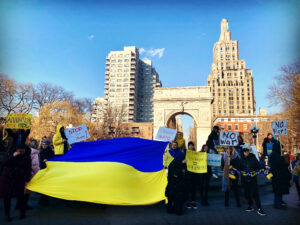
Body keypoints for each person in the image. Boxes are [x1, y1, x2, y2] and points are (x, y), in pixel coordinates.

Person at [0, 143, 32, 222]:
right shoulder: (10, 154)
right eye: (19, 150)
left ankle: (22, 212)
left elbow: (28, 169)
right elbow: (4, 163)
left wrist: (27, 180)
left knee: (20, 196)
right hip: (8, 178)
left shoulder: (26, 156)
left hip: (19, 178)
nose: (21, 152)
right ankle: (7, 214)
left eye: (22, 151)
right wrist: (13, 156)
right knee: (7, 197)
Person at [238, 144, 266, 216]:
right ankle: (250, 206)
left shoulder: (253, 158)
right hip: (245, 179)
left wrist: (261, 168)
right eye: (245, 152)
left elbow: (259, 166)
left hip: (253, 179)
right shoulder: (241, 160)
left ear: (249, 151)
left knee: (255, 194)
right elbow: (238, 167)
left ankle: (259, 208)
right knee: (247, 194)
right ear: (243, 152)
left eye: (247, 151)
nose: (246, 153)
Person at [15, 139, 40, 210]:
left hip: (21, 173)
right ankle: (24, 205)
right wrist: (38, 175)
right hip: (29, 174)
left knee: (21, 190)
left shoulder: (26, 151)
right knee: (27, 191)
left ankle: (18, 204)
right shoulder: (35, 153)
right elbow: (35, 165)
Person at [269, 140, 291, 209]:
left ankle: (279, 202)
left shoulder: (274, 155)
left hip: (277, 176)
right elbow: (281, 164)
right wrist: (284, 160)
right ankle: (278, 204)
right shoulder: (276, 156)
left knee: (278, 191)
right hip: (278, 176)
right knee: (278, 191)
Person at [38, 140, 55, 205]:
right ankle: (43, 200)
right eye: (43, 144)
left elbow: (53, 159)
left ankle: (45, 200)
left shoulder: (50, 152)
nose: (44, 146)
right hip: (42, 170)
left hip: (48, 170)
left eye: (45, 144)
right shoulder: (41, 152)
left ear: (48, 145)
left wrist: (48, 160)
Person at [185, 141, 199, 209]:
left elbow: (199, 161)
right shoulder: (185, 153)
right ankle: (187, 201)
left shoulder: (196, 154)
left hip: (194, 173)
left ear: (193, 146)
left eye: (192, 145)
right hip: (188, 174)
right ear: (188, 146)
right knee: (187, 188)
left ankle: (193, 202)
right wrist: (184, 161)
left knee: (194, 188)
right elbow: (182, 162)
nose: (191, 146)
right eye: (189, 145)